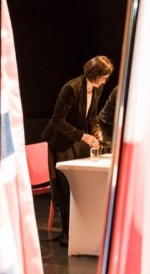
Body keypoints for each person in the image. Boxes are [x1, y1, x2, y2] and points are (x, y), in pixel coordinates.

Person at [42, 56, 114, 246]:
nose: (106, 80)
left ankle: (84, 231)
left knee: (82, 184)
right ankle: (68, 235)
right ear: (95, 74)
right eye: (104, 76)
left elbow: (92, 117)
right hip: (61, 142)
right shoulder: (71, 88)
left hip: (77, 140)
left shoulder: (97, 88)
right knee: (67, 188)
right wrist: (83, 136)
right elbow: (58, 120)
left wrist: (96, 132)